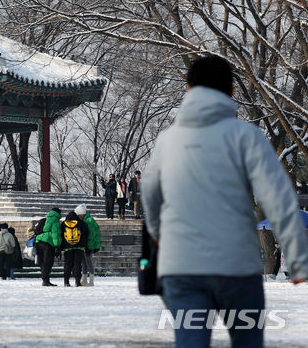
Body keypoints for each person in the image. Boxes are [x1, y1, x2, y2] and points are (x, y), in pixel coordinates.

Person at [142, 55, 308, 348]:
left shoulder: (167, 142)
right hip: (236, 266)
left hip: (181, 267)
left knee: (190, 341)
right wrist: (298, 261)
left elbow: (151, 202)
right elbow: (278, 199)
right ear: (231, 91)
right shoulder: (246, 137)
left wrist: (159, 239)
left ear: (189, 88)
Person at [35, 207, 62, 286]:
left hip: (39, 241)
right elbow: (55, 233)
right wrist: (57, 245)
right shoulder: (55, 220)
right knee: (48, 262)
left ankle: (45, 279)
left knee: (42, 261)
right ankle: (46, 280)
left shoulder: (46, 219)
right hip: (48, 243)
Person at [75, 204, 101, 286]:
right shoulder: (86, 220)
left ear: (81, 214)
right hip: (84, 244)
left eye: (78, 215)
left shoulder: (88, 220)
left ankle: (91, 281)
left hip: (88, 245)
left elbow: (91, 235)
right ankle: (85, 280)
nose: (78, 217)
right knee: (84, 263)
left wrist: (89, 246)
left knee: (89, 262)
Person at [60, 211, 88, 287]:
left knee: (67, 264)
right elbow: (86, 234)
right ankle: (77, 281)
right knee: (78, 264)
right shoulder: (81, 223)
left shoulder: (63, 224)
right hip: (79, 247)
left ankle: (66, 281)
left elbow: (60, 235)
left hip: (67, 248)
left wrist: (61, 246)